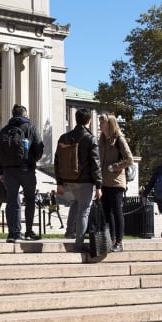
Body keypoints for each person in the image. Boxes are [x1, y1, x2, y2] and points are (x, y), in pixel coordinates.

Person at [0, 105, 45, 243]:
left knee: (12, 201)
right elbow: (39, 147)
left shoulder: (5, 130)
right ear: (24, 114)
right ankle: (28, 232)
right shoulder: (31, 128)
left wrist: (0, 171)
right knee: (30, 199)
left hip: (8, 171)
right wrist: (33, 159)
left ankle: (13, 233)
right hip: (27, 169)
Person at [54, 108, 102, 253]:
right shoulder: (90, 138)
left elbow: (57, 161)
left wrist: (59, 182)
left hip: (69, 179)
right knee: (84, 212)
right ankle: (79, 244)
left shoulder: (64, 137)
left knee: (75, 204)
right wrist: (99, 185)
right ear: (89, 120)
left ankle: (69, 231)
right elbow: (95, 163)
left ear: (75, 119)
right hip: (85, 180)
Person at [98, 113, 133, 252]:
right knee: (107, 213)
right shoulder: (102, 140)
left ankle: (119, 242)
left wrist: (115, 167)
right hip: (105, 182)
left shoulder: (119, 139)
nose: (100, 124)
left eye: (102, 122)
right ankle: (110, 240)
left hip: (117, 182)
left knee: (117, 211)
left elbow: (129, 159)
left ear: (110, 124)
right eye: (99, 122)